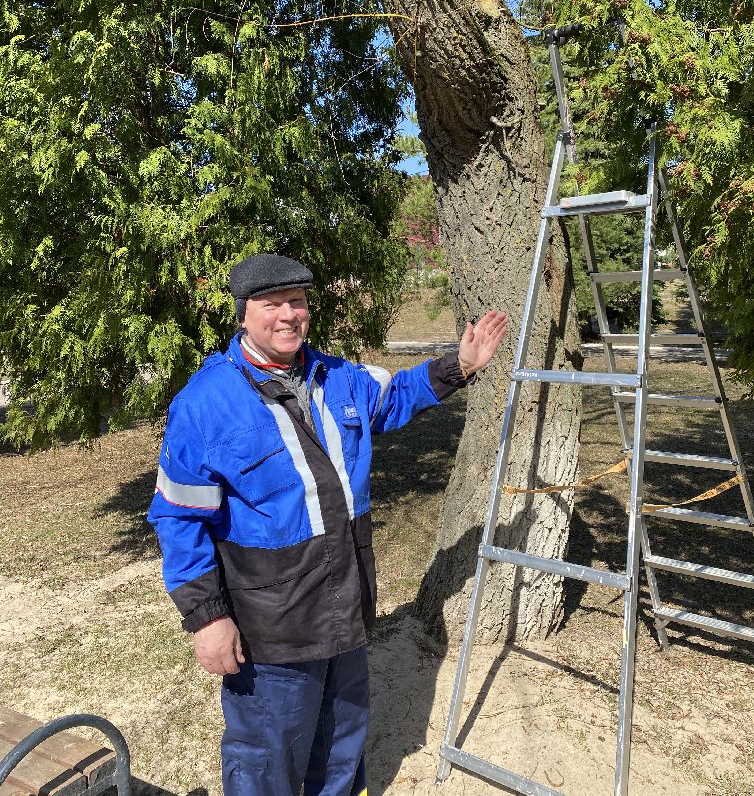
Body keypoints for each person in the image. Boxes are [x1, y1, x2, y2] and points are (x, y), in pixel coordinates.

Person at [148, 254, 508, 796]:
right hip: (272, 628)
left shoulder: (338, 377)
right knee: (269, 757)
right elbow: (178, 519)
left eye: (297, 302)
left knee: (340, 745)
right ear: (244, 314)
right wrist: (206, 619)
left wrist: (459, 364)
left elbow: (397, 397)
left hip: (346, 608)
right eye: (272, 305)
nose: (288, 316)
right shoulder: (204, 405)